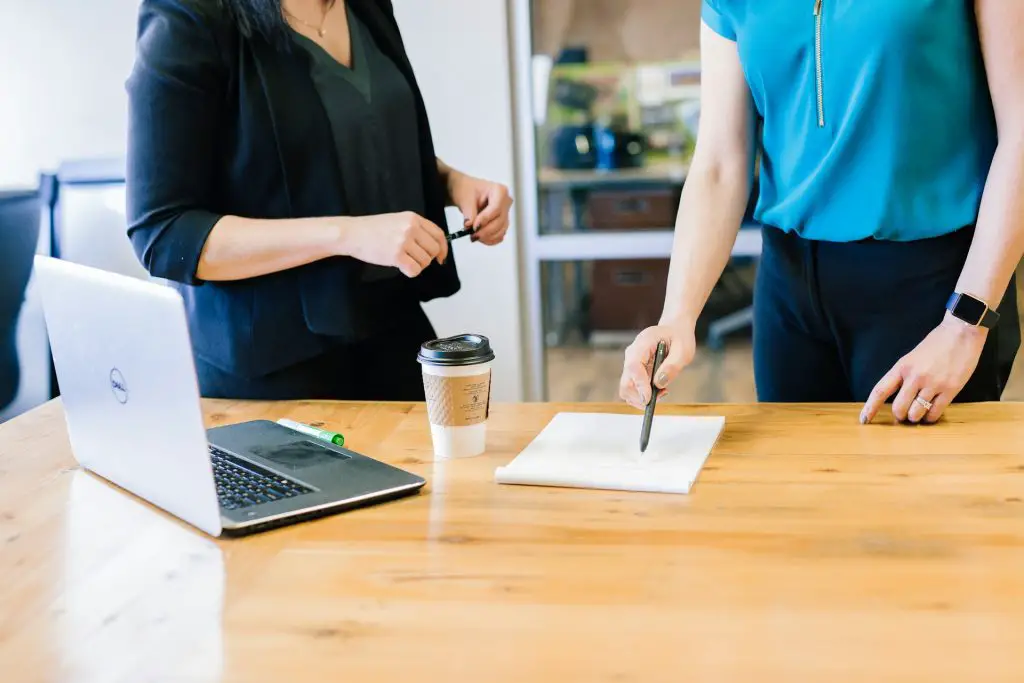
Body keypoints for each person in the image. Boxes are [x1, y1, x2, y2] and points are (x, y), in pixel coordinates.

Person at [620, 1, 1024, 425]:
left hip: (932, 286)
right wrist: (677, 316)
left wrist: (966, 324)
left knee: (919, 488)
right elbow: (720, 163)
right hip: (789, 290)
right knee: (796, 487)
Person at [125, 0, 513, 401]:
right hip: (272, 370)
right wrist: (345, 233)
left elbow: (346, 138)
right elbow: (164, 231)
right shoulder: (188, 17)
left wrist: (451, 183)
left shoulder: (366, 6)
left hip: (392, 334)